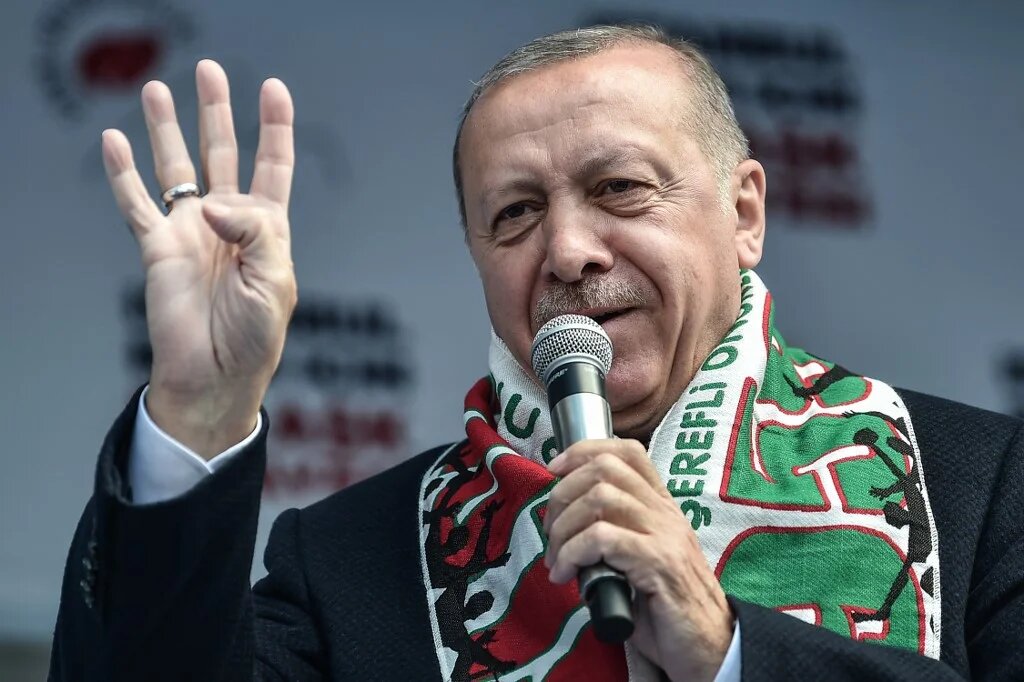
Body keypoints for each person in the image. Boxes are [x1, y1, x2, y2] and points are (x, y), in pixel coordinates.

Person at [49, 25, 1022, 681]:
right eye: (515, 212)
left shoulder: (980, 486)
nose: (565, 251)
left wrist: (729, 654)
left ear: (745, 213)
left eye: (620, 189)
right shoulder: (350, 560)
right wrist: (199, 410)